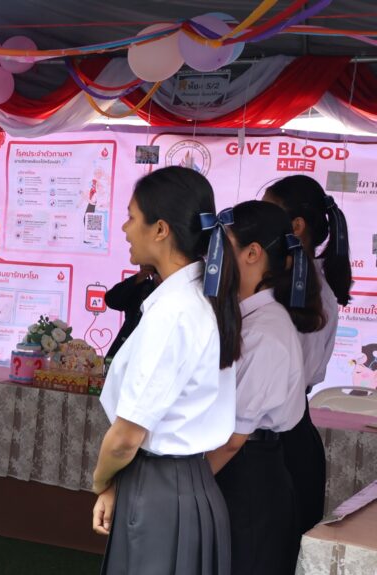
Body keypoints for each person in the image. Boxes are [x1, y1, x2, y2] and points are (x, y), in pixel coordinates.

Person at [92, 166, 241, 575]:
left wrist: (101, 480)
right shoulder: (198, 298)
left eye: (131, 217)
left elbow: (126, 437)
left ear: (160, 229)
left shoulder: (174, 311)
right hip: (183, 486)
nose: (125, 228)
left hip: (160, 494)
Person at [206, 200, 326, 575]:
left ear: (253, 253)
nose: (211, 261)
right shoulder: (249, 319)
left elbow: (233, 439)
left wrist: (188, 487)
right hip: (239, 470)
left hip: (249, 476)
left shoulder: (265, 332)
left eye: (221, 249)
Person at [263, 175, 351, 534]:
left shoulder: (299, 291)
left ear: (296, 226)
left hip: (277, 439)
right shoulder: (309, 285)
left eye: (268, 213)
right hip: (289, 433)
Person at [104, 265, 159, 359]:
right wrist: (140, 276)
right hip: (126, 353)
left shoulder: (179, 293)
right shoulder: (142, 286)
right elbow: (112, 300)